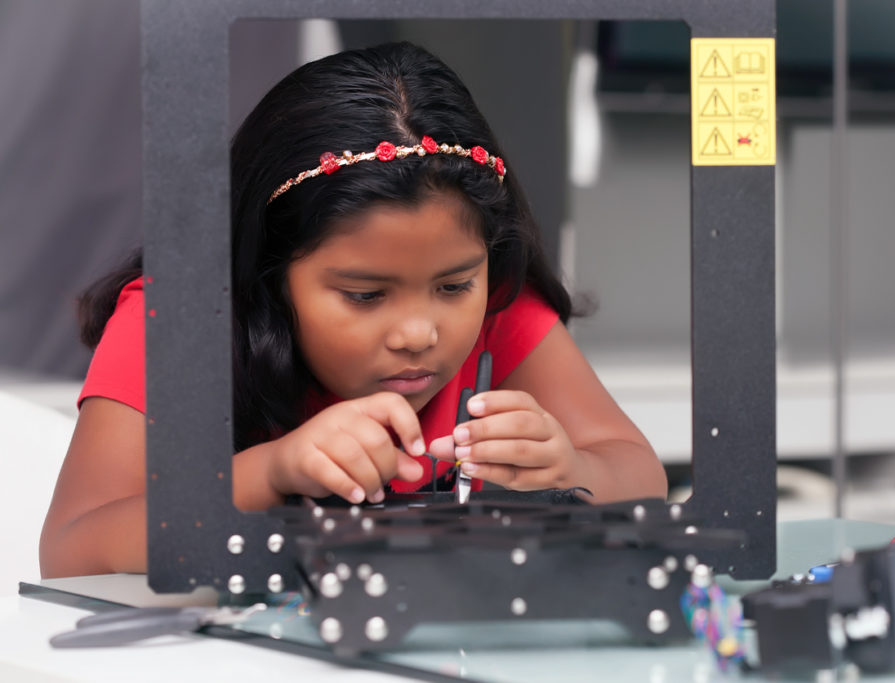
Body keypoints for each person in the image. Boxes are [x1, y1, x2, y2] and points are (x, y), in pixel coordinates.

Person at [39, 42, 667, 578]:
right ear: (269, 270)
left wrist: (572, 472)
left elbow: (639, 472)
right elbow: (73, 549)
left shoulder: (503, 307)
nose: (420, 334)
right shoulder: (174, 320)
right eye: (365, 296)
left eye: (454, 287)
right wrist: (271, 470)